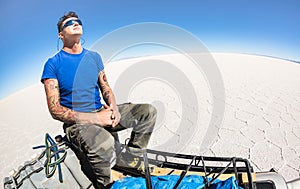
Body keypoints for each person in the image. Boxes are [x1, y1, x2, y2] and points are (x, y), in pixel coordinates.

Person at [41, 11, 157, 189]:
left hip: (100, 111)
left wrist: (113, 109)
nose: (76, 23)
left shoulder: (94, 57)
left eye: (78, 21)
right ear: (61, 35)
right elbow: (55, 110)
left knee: (147, 113)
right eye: (69, 23)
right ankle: (105, 184)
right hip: (76, 123)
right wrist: (96, 119)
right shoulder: (53, 64)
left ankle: (130, 161)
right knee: (105, 143)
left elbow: (106, 88)